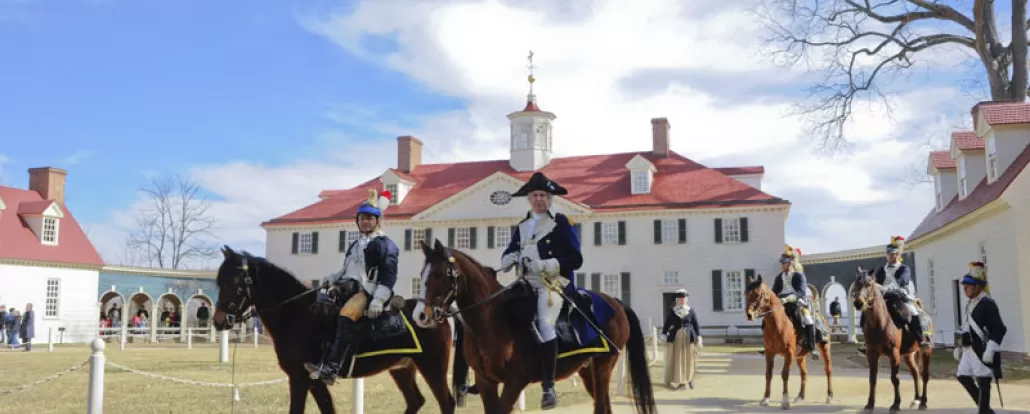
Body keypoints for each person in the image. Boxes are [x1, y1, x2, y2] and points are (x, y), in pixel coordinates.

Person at [500, 171, 583, 410]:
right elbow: (511, 249)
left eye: (543, 195)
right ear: (529, 198)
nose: (539, 199)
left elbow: (575, 259)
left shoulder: (562, 223)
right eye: (535, 195)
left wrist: (546, 265)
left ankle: (549, 386)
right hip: (525, 283)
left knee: (545, 323)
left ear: (550, 198)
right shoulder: (522, 226)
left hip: (553, 283)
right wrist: (508, 258)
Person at [305, 189, 399, 384]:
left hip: (368, 291)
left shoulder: (386, 245)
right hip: (346, 287)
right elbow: (347, 269)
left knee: (346, 315)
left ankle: (332, 369)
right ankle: (320, 357)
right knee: (320, 309)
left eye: (370, 218)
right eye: (362, 218)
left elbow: (389, 276)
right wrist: (332, 278)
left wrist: (379, 299)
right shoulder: (355, 244)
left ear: (377, 221)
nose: (365, 222)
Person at [859, 236, 930, 354]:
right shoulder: (882, 270)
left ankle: (920, 339)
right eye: (889, 254)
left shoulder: (904, 268)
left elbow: (900, 282)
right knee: (866, 311)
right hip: (883, 297)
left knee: (912, 311)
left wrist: (883, 287)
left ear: (897, 255)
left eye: (893, 254)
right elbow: (875, 282)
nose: (891, 256)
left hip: (899, 296)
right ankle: (867, 342)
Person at [953, 262, 1006, 414]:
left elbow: (999, 328)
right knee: (962, 376)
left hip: (982, 349)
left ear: (977, 287)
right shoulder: (970, 303)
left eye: (968, 286)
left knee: (983, 382)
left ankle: (983, 411)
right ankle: (986, 410)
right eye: (964, 286)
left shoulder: (988, 303)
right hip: (969, 348)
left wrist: (991, 349)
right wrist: (959, 347)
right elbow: (966, 326)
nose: (964, 288)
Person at [760, 245, 820, 358]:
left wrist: (787, 298)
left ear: (791, 263)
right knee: (766, 319)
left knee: (808, 319)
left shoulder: (799, 276)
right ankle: (766, 344)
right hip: (781, 304)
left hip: (796, 303)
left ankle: (812, 347)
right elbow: (774, 292)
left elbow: (801, 292)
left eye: (784, 263)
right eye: (782, 263)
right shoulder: (779, 277)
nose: (782, 265)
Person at [662, 289, 701, 390]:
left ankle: (690, 379)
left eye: (683, 299)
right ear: (676, 300)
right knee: (678, 359)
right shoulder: (673, 311)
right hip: (677, 337)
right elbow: (667, 323)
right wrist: (664, 334)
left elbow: (695, 324)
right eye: (679, 299)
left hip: (689, 338)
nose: (681, 301)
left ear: (686, 300)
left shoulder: (690, 310)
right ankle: (680, 381)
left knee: (690, 359)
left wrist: (698, 336)